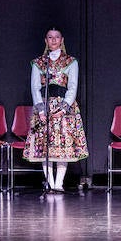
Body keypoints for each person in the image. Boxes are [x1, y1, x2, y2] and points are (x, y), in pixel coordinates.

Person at [24, 28, 88, 193]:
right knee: (45, 146)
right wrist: (40, 110)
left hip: (63, 107)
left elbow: (72, 87)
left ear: (62, 40)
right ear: (46, 40)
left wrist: (64, 107)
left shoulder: (70, 62)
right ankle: (50, 183)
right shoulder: (39, 62)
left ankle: (59, 183)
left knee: (62, 144)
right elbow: (35, 88)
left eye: (57, 37)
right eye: (50, 37)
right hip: (45, 106)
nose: (53, 40)